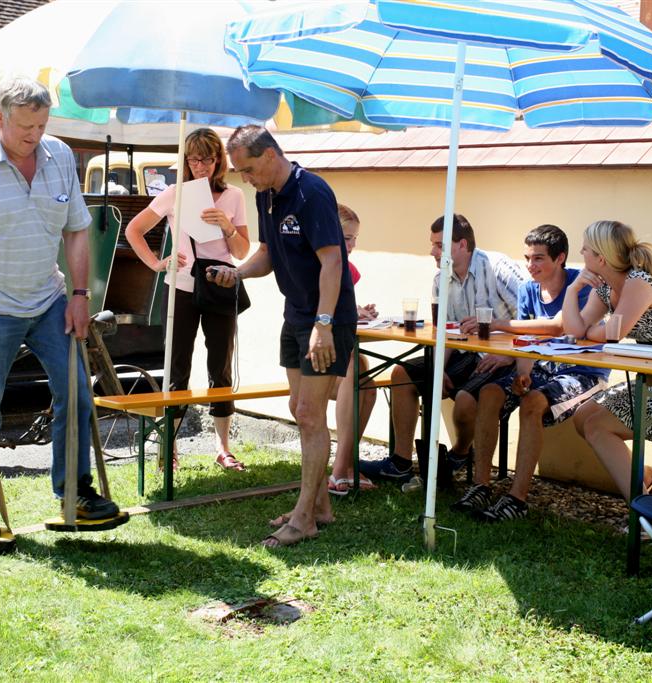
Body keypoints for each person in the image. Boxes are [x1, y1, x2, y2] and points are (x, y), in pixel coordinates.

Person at [0, 77, 118, 538]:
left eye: (41, 123)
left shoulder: (59, 158)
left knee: (75, 390)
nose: (34, 134)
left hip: (50, 300)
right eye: (24, 126)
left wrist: (79, 297)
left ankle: (76, 492)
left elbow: (75, 230)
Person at [210, 125, 356, 547]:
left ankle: (305, 517)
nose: (246, 178)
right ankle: (321, 507)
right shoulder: (265, 195)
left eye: (249, 168)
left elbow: (332, 262)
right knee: (299, 408)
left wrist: (323, 325)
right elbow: (270, 253)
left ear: (272, 155)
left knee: (310, 414)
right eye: (240, 171)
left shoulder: (313, 193)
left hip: (324, 321)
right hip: (294, 316)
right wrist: (237, 272)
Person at [454, 224, 610, 520]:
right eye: (527, 258)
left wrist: (499, 324)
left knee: (533, 402)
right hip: (542, 368)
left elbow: (558, 326)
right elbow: (527, 343)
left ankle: (517, 500)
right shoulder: (528, 289)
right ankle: (481, 486)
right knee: (489, 391)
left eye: (538, 258)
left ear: (560, 258)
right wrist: (522, 373)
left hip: (583, 372)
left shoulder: (582, 284)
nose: (530, 265)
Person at [359, 214, 525, 487]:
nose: (432, 252)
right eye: (433, 244)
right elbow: (446, 332)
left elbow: (533, 314)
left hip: (503, 357)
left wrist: (509, 355)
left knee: (463, 400)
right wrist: (438, 368)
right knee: (402, 374)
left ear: (461, 245)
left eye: (439, 245)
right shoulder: (441, 280)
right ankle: (400, 463)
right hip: (463, 353)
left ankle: (459, 454)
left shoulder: (497, 267)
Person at [124, 128, 250, 471]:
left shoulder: (234, 196)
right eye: (193, 158)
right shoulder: (174, 193)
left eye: (207, 158)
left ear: (218, 160)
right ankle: (170, 447)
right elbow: (133, 229)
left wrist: (226, 225)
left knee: (220, 366)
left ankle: (223, 447)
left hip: (220, 286)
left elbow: (241, 251)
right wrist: (156, 262)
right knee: (176, 367)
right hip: (179, 286)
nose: (200, 165)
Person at [565, 220, 652, 501]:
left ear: (601, 258)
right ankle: (646, 479)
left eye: (585, 248)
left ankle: (643, 516)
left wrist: (595, 332)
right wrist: (572, 290)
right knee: (582, 418)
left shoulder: (638, 283)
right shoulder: (605, 288)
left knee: (597, 427)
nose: (580, 252)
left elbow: (612, 333)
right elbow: (574, 331)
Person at [327, 203, 378, 495]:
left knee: (365, 382)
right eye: (347, 238)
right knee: (354, 372)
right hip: (313, 353)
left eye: (355, 239)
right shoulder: (320, 263)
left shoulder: (350, 270)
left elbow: (341, 306)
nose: (352, 245)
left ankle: (345, 463)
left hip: (339, 346)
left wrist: (358, 310)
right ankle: (339, 470)